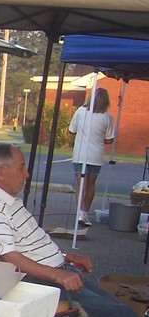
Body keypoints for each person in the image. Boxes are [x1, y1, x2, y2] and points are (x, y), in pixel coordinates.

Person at [0, 143, 147, 317]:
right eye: (22, 168)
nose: (26, 174)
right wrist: (58, 274)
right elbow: (8, 255)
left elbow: (32, 243)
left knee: (115, 305)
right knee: (118, 315)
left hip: (56, 271)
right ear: (1, 171)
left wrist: (66, 257)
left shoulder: (7, 200)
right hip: (41, 280)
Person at [67, 88, 115, 226]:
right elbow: (109, 139)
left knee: (81, 184)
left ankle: (80, 212)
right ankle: (85, 212)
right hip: (96, 155)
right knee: (91, 185)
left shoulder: (80, 112)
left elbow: (72, 130)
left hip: (80, 154)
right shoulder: (107, 117)